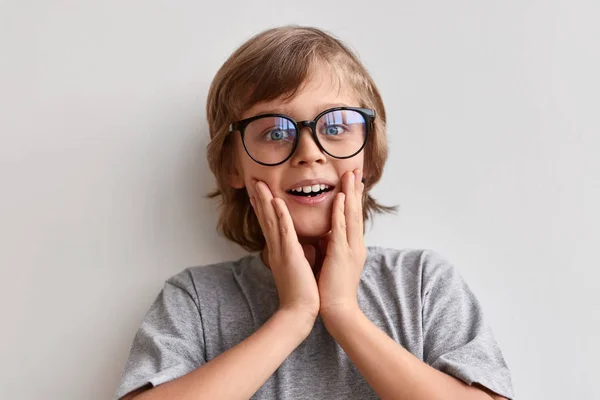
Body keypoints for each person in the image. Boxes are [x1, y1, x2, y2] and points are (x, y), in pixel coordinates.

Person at [114, 26, 514, 400]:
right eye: (274, 131)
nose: (309, 153)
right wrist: (295, 314)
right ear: (234, 166)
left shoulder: (422, 283)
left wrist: (343, 312)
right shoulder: (197, 299)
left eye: (336, 126)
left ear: (369, 155)